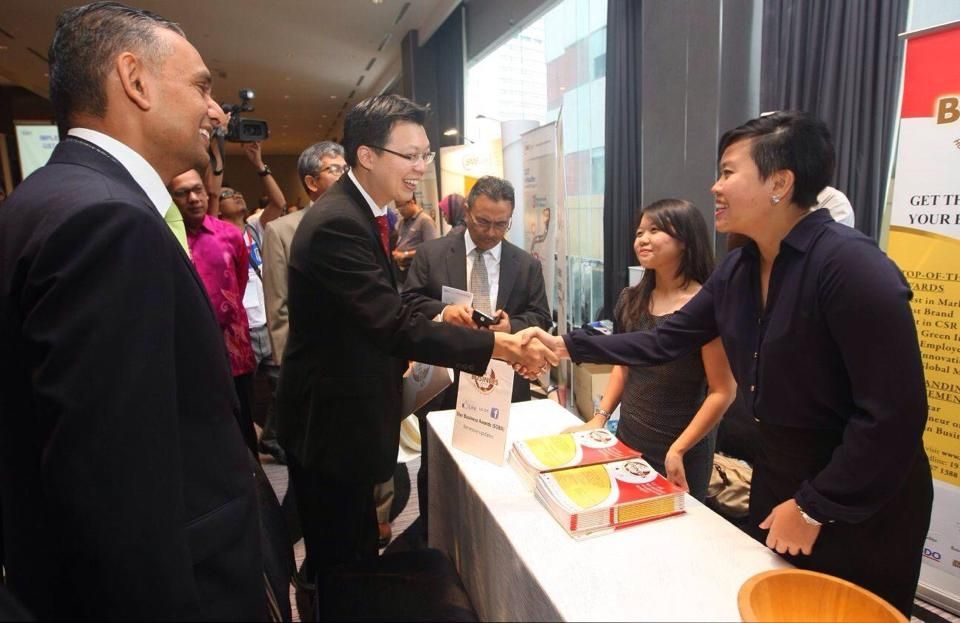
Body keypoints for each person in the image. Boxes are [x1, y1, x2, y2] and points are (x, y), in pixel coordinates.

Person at [521, 111, 932, 617]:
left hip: (858, 494)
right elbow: (665, 340)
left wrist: (815, 507)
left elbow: (894, 416)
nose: (715, 187)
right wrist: (565, 346)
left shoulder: (852, 267)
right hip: (781, 476)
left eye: (728, 172)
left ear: (780, 182)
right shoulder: (740, 267)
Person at [0, 2, 265, 618]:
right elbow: (118, 500)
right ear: (134, 80)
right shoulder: (108, 221)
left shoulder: (45, 199)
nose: (216, 111)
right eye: (201, 86)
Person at [276, 94, 554, 583]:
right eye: (411, 155)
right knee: (341, 566)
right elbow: (393, 324)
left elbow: (384, 307)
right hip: (333, 424)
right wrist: (501, 345)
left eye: (424, 154)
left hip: (345, 417)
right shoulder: (340, 223)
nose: (422, 167)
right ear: (367, 155)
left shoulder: (359, 214)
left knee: (353, 551)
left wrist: (446, 314)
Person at [401, 175, 552, 526]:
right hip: (444, 382)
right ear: (467, 212)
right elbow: (407, 303)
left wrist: (510, 326)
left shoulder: (525, 264)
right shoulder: (433, 253)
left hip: (502, 382)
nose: (491, 232)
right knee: (438, 470)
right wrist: (445, 312)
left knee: (499, 472)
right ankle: (434, 536)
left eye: (501, 224)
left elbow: (541, 317)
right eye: (483, 221)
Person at [565, 199, 736, 501]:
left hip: (682, 451)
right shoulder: (631, 299)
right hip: (629, 437)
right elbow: (623, 366)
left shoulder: (704, 308)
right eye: (639, 232)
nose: (642, 239)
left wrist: (679, 449)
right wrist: (600, 417)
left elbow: (722, 391)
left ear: (685, 239)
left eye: (655, 230)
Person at [261, 140, 348, 463]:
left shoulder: (364, 223)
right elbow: (278, 305)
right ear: (311, 182)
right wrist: (291, 368)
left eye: (346, 168)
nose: (344, 175)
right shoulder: (281, 231)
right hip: (311, 362)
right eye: (334, 169)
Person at [171, 173, 258, 453]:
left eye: (198, 190)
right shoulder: (167, 238)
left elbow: (238, 284)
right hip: (190, 353)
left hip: (234, 351)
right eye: (183, 193)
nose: (193, 199)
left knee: (243, 427)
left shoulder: (229, 235)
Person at [392, 197, 438, 283]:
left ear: (411, 203)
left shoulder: (425, 221)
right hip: (401, 271)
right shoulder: (402, 222)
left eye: (401, 207)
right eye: (397, 208)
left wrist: (405, 254)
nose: (400, 211)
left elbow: (431, 249)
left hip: (417, 273)